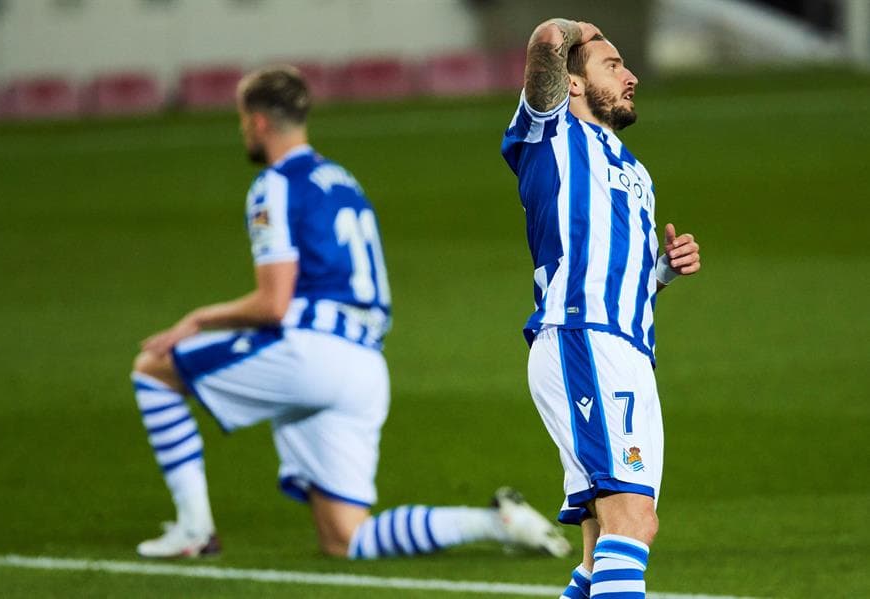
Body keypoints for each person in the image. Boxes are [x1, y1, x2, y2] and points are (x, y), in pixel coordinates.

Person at [131, 65, 570, 561]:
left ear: (257, 122)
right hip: (365, 366)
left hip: (311, 354)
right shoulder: (342, 181)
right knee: (346, 539)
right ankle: (493, 522)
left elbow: (273, 304)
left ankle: (194, 530)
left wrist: (199, 319)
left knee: (154, 371)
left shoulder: (275, 184)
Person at [500, 19, 702, 599]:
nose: (630, 76)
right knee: (633, 521)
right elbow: (546, 39)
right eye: (613, 65)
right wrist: (578, 29)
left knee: (601, 547)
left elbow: (620, 277)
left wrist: (662, 271)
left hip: (627, 349)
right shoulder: (550, 135)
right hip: (583, 340)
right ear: (573, 84)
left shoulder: (635, 171)